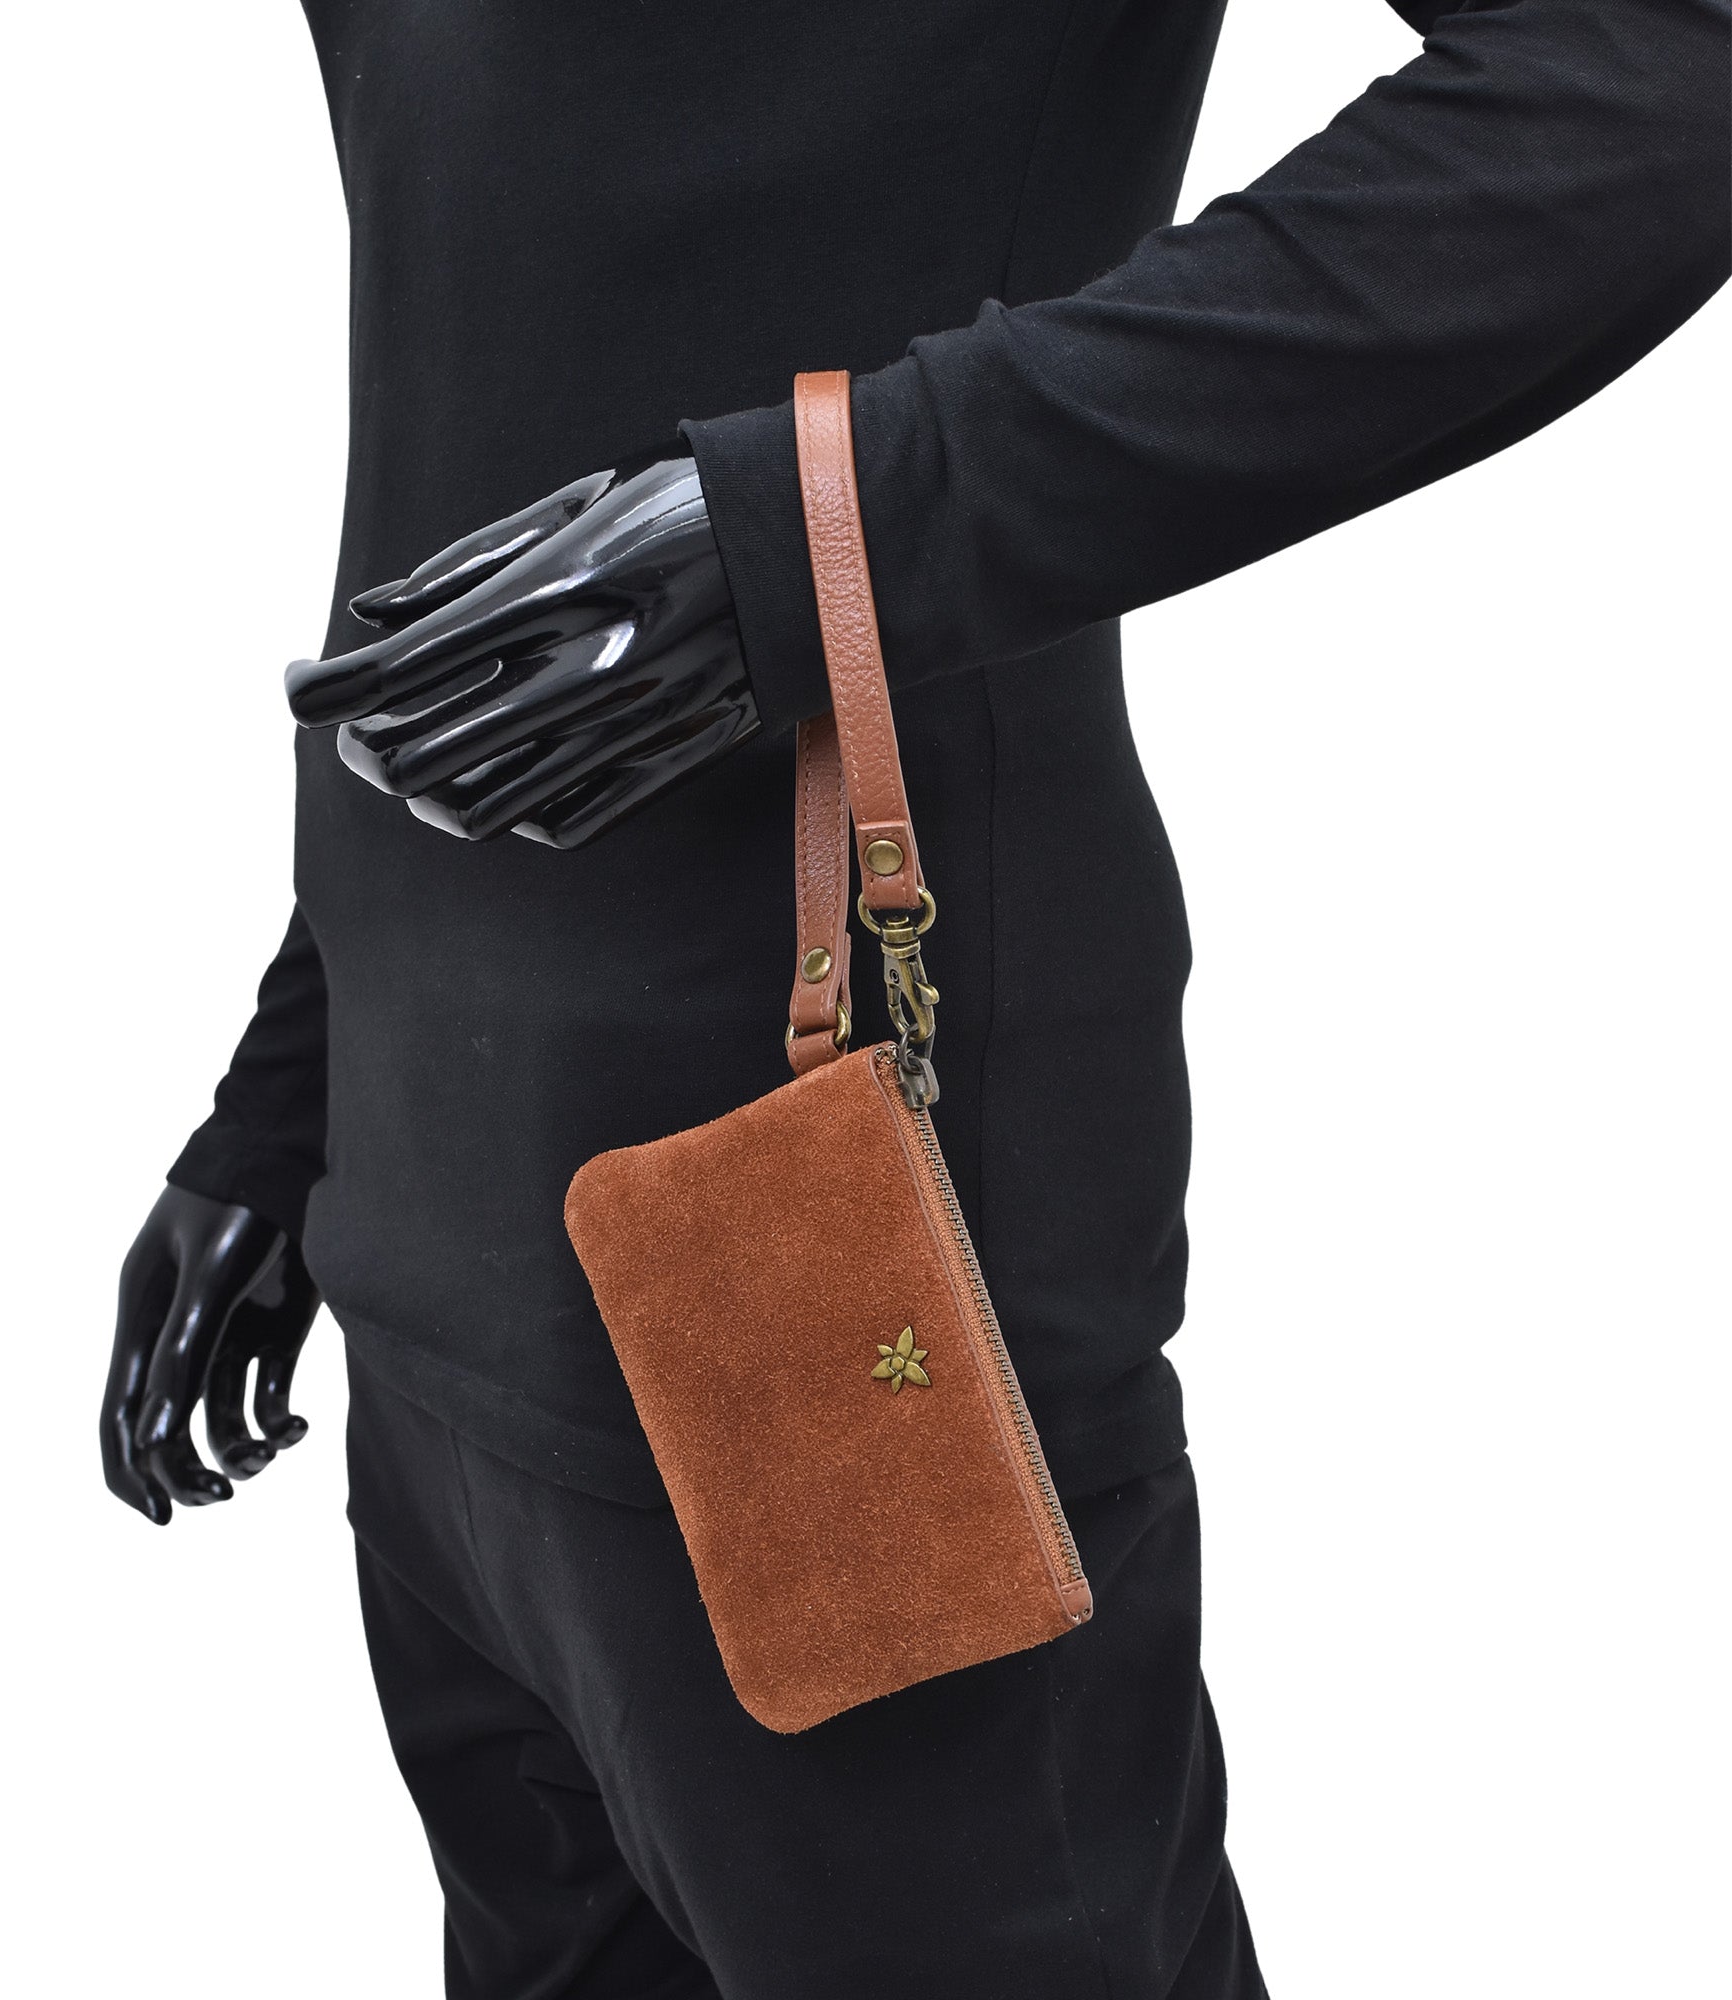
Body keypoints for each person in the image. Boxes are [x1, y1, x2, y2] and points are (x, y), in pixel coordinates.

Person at [100, 1, 1729, 1992]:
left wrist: (849, 515)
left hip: (828, 1268)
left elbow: (1661, 78)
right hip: (429, 1287)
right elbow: (510, 385)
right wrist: (293, 1088)